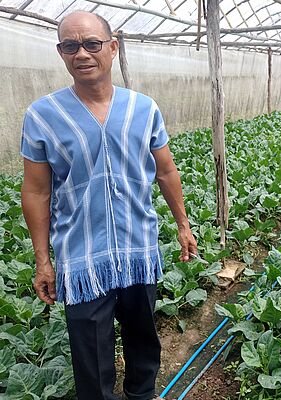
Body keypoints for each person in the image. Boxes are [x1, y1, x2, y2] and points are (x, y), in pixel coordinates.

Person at [20, 10, 197, 400]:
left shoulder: (143, 108)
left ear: (112, 48)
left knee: (143, 340)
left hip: (138, 247)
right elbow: (35, 192)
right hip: (82, 256)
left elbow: (166, 171)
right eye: (70, 46)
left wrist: (183, 225)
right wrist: (42, 259)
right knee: (90, 355)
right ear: (61, 53)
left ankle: (141, 395)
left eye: (91, 43)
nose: (82, 53)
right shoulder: (42, 116)